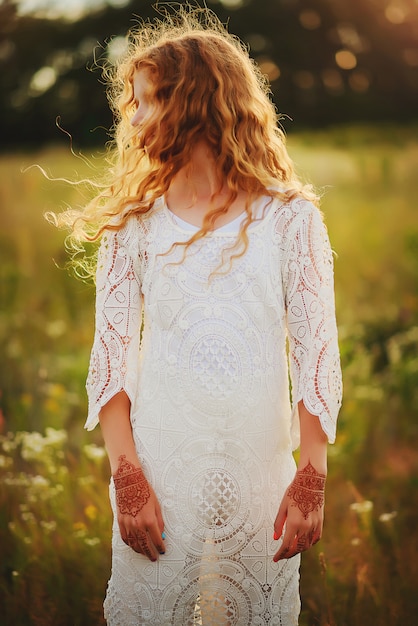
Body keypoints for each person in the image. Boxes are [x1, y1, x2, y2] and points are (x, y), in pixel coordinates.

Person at [62, 5, 342, 625]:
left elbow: (316, 351)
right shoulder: (132, 227)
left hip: (261, 478)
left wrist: (311, 477)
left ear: (192, 103)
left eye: (144, 101)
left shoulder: (291, 219)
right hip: (158, 478)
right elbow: (110, 363)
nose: (131, 117)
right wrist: (126, 480)